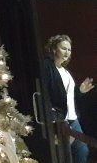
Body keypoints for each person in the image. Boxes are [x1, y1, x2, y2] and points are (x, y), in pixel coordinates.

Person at [42, 34, 94, 163]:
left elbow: (68, 94)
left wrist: (80, 91)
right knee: (64, 154)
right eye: (63, 48)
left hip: (72, 118)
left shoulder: (65, 71)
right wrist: (51, 113)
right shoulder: (47, 66)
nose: (67, 52)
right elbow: (46, 91)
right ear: (54, 49)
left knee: (82, 150)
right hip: (59, 118)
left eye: (69, 49)